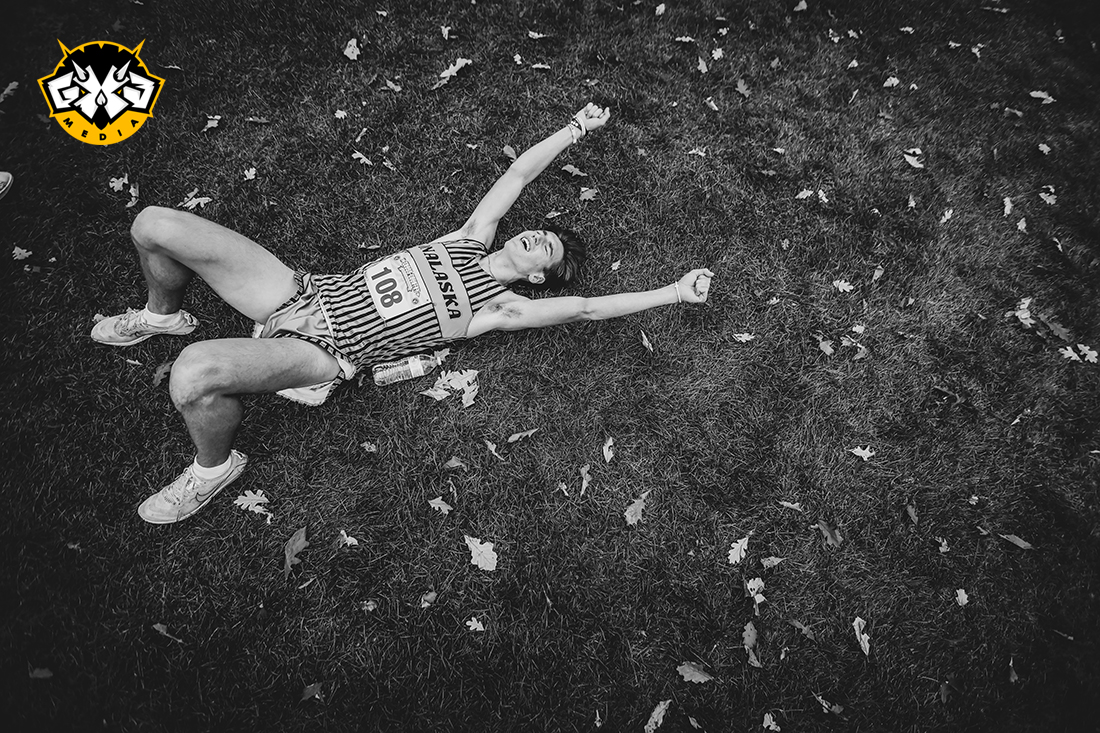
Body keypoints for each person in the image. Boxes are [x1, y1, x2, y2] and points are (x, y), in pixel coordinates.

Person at [91, 103, 714, 524]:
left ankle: (214, 468)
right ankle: (162, 316)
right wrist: (575, 130)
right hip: (302, 290)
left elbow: (587, 309)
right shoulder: (470, 236)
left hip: (327, 353)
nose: (531, 237)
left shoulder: (499, 307)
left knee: (194, 376)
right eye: (535, 232)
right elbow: (518, 175)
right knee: (155, 225)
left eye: (542, 247)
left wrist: (672, 293)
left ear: (539, 277)